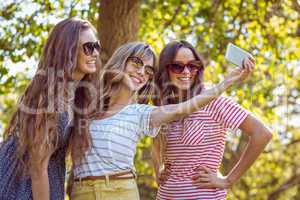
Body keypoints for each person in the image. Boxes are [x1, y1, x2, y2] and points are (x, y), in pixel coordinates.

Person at [69, 41, 252, 200]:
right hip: (81, 192)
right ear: (121, 61)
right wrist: (158, 169)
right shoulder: (87, 106)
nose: (142, 72)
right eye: (136, 63)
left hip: (119, 190)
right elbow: (158, 144)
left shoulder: (141, 113)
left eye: (148, 71)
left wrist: (226, 82)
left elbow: (183, 109)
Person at [151, 40, 272, 200]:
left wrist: (228, 180)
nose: (186, 71)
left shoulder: (214, 99)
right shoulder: (165, 104)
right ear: (165, 70)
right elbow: (156, 143)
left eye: (192, 65)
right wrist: (158, 169)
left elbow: (262, 133)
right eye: (177, 66)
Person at [0, 18, 102, 200]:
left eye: (96, 46)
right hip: (19, 184)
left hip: (48, 179)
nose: (94, 53)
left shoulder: (77, 96)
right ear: (68, 51)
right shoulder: (47, 97)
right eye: (88, 47)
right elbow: (38, 167)